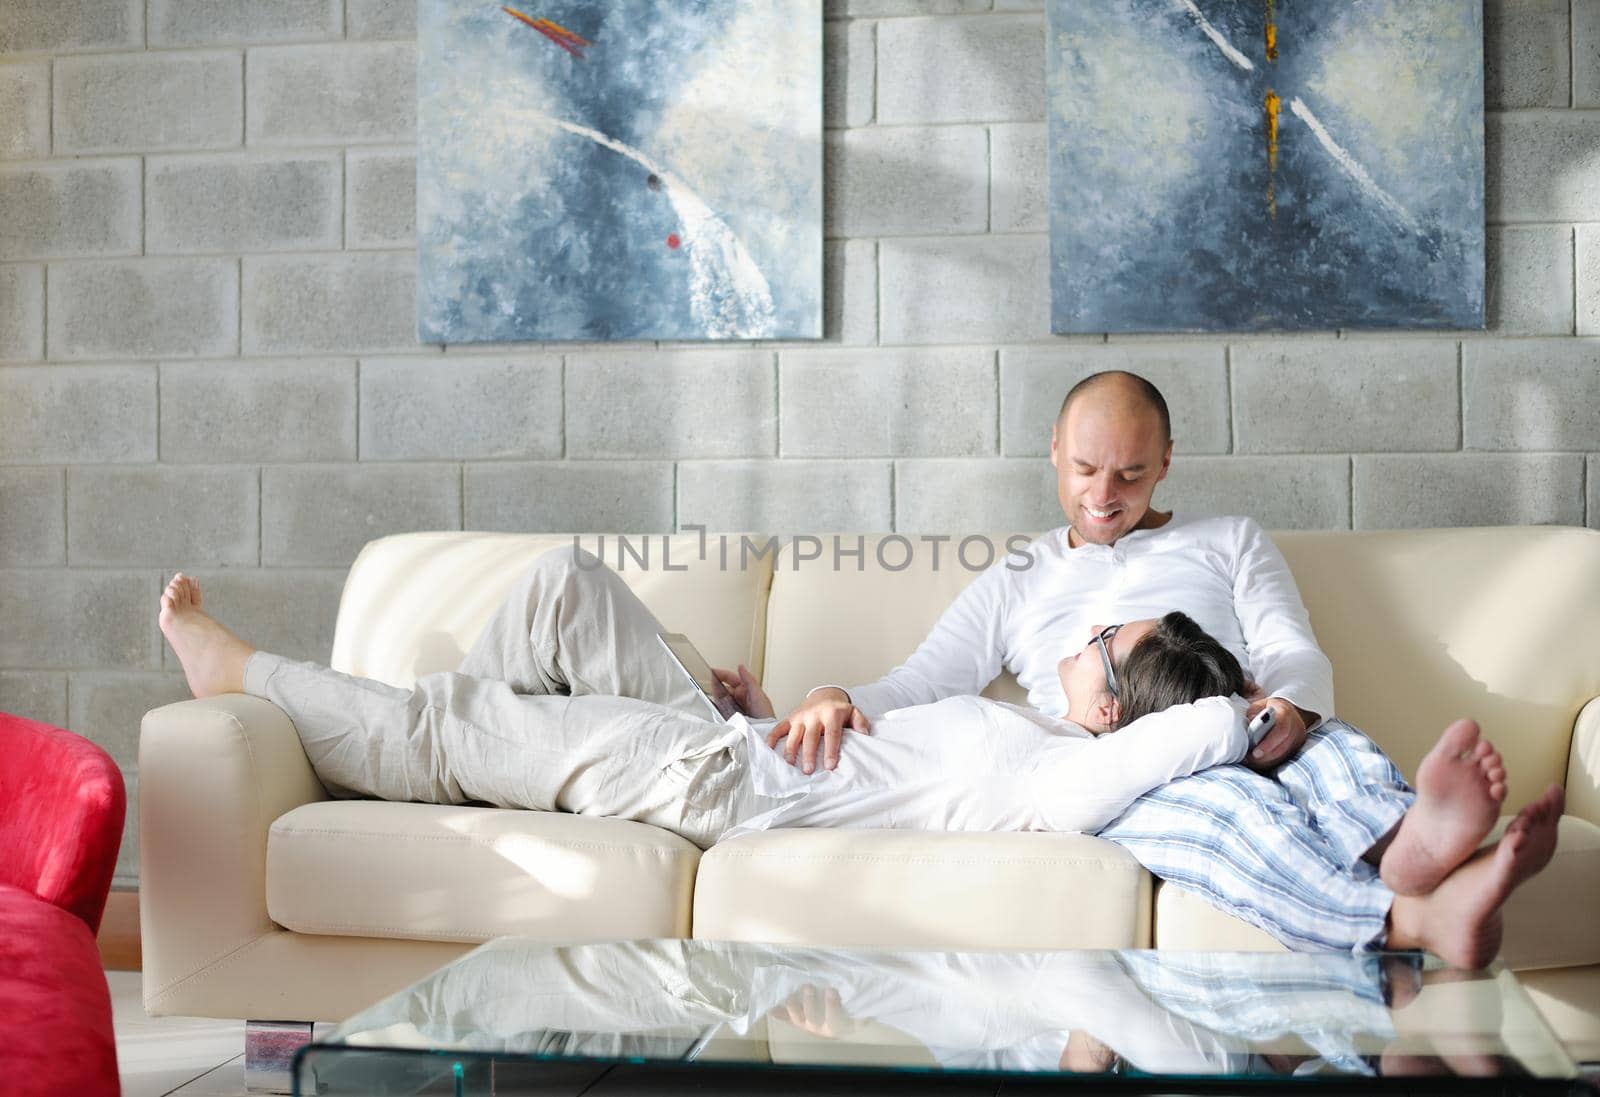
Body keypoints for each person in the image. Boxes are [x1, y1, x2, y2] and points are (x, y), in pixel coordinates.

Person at [158, 544, 1558, 972]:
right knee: (562, 592)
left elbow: (1186, 732)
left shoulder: (1061, 777)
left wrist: (1236, 710)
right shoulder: (1026, 730)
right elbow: (882, 728)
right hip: (731, 738)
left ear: (1118, 712)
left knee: (459, 727)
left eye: (1100, 643)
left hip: (710, 785)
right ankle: (412, 750)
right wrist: (782, 698)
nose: (1075, 639)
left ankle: (266, 684)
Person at [764, 369, 1565, 967]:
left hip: (1253, 719)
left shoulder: (1229, 539)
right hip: (1128, 766)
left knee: (1337, 749)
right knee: (1220, 818)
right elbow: (920, 682)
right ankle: (1405, 900)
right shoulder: (1019, 573)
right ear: (1052, 451)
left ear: (1168, 461)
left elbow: (1291, 649)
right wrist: (831, 694)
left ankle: (1408, 838)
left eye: (1131, 473)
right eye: (1084, 470)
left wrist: (1289, 710)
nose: (1105, 496)